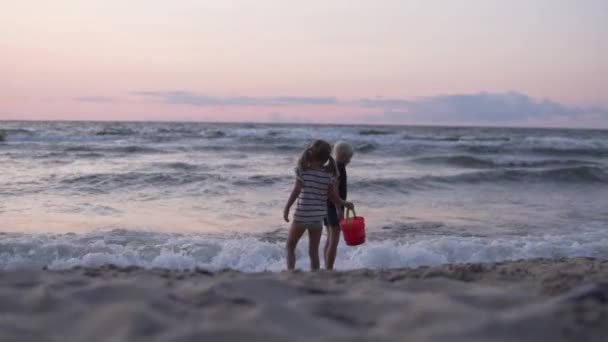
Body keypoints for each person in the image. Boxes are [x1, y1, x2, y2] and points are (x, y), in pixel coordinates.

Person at [283, 140, 354, 271]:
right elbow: (333, 196)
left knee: (290, 245)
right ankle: (316, 274)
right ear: (327, 157)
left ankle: (290, 272)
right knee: (313, 251)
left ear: (311, 153)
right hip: (317, 218)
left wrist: (287, 208)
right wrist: (344, 204)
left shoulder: (302, 171)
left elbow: (296, 191)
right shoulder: (328, 175)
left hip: (302, 216)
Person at [324, 141, 354, 270]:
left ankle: (325, 267)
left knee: (329, 239)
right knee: (334, 241)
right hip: (333, 207)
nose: (349, 161)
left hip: (325, 206)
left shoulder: (330, 165)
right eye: (349, 158)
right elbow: (335, 188)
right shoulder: (339, 166)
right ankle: (329, 269)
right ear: (342, 155)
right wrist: (339, 208)